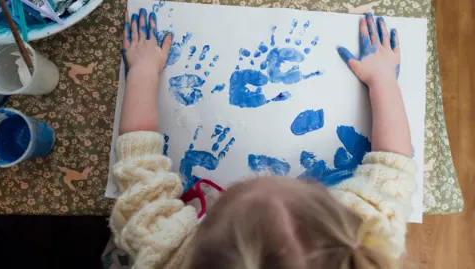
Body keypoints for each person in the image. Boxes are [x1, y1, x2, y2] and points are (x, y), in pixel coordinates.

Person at [108, 8, 416, 269]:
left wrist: (144, 70)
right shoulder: (366, 234)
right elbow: (394, 162)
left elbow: (140, 166)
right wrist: (383, 79)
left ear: (200, 241)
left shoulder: (162, 248)